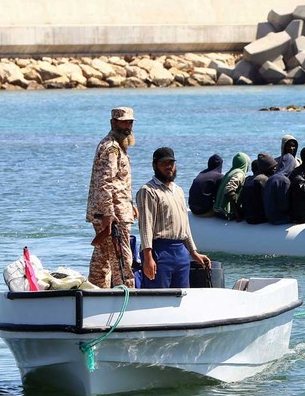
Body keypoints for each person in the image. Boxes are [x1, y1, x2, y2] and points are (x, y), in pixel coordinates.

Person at [136, 147, 211, 288]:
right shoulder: (148, 191)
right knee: (158, 299)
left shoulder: (179, 191)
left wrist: (194, 253)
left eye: (171, 163)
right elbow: (146, 226)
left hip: (181, 253)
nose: (168, 167)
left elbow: (185, 226)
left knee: (182, 299)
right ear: (154, 165)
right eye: (164, 163)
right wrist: (148, 258)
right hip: (160, 251)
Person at [86, 106, 137, 288]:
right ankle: (127, 294)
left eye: (130, 122)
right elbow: (106, 181)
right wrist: (109, 212)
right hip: (113, 214)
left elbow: (118, 181)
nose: (128, 126)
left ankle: (95, 293)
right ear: (113, 122)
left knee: (103, 257)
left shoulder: (116, 145)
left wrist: (130, 204)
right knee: (121, 256)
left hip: (112, 210)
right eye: (123, 122)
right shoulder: (111, 148)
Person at [213, 152, 250, 220]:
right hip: (225, 213)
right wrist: (237, 213)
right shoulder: (239, 174)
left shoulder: (230, 172)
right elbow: (229, 189)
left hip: (217, 210)